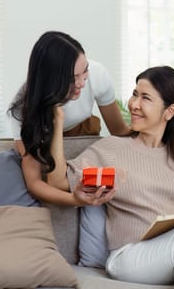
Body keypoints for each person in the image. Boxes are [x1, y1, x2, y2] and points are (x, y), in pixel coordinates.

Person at [52, 66, 174, 289]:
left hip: (173, 254)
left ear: (169, 111)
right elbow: (58, 181)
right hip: (129, 256)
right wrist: (57, 122)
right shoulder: (111, 149)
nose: (134, 104)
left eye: (145, 98)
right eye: (135, 94)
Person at [7, 31, 128, 206]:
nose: (81, 83)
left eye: (84, 71)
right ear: (50, 80)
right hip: (46, 140)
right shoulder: (23, 108)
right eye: (72, 79)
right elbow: (34, 183)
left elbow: (120, 130)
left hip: (84, 131)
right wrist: (76, 200)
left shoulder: (97, 75)